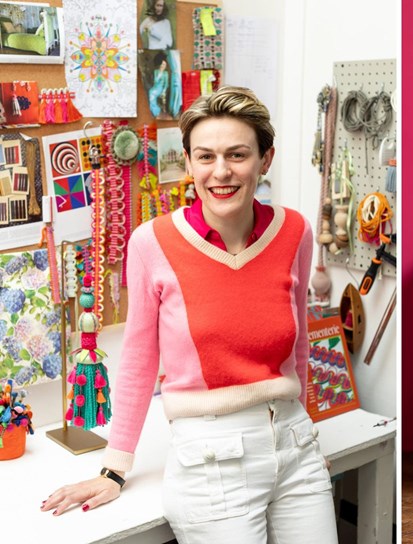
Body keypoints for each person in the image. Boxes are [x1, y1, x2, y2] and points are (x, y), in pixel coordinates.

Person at [41, 86, 338, 543]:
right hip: (210, 465)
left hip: (296, 448)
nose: (221, 172)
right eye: (206, 156)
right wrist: (114, 468)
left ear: (266, 158)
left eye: (238, 154)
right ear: (188, 162)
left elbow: (297, 346)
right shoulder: (151, 242)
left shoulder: (294, 231)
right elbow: (140, 357)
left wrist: (308, 431)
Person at [147, 52, 170, 119]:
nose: (163, 66)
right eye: (162, 64)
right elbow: (155, 81)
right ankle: (155, 111)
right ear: (160, 64)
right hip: (155, 87)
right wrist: (160, 73)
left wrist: (164, 91)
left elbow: (166, 84)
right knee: (150, 92)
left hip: (161, 89)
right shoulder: (156, 72)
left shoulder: (166, 73)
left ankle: (157, 110)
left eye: (164, 64)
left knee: (152, 94)